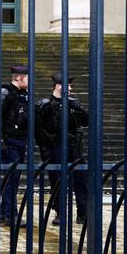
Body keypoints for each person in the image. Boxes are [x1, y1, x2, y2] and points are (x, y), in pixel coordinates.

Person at [35, 71, 89, 225]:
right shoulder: (44, 105)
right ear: (58, 86)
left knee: (81, 179)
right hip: (56, 146)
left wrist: (79, 109)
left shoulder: (74, 103)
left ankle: (83, 213)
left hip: (74, 146)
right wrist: (44, 149)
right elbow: (39, 130)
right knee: (57, 180)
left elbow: (86, 121)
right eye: (68, 85)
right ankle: (60, 213)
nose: (70, 88)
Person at [0, 65, 29, 228]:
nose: (29, 81)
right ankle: (9, 214)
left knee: (13, 179)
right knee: (10, 179)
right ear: (19, 78)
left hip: (19, 141)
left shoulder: (23, 95)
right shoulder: (6, 92)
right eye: (27, 78)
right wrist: (0, 140)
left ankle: (5, 212)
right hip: (9, 141)